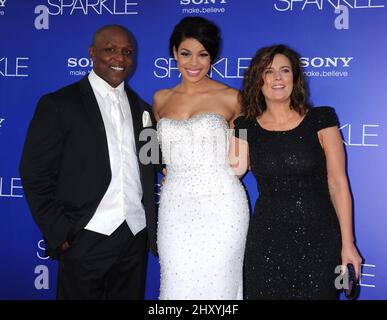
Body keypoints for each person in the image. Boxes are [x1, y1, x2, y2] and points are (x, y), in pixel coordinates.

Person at [19, 25, 158, 300]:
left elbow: (151, 162)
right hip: (84, 237)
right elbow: (34, 174)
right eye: (111, 50)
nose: (120, 58)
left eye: (128, 52)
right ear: (92, 53)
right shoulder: (59, 104)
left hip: (134, 236)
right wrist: (60, 233)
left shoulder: (142, 109)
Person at [230, 44, 362, 299]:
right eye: (268, 71)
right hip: (266, 241)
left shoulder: (322, 119)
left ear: (295, 78)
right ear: (258, 80)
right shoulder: (244, 125)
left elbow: (337, 183)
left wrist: (348, 243)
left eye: (285, 70)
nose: (277, 78)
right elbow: (231, 171)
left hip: (321, 239)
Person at [152, 16, 249, 300]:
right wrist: (166, 170)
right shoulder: (159, 99)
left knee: (219, 287)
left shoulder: (234, 98)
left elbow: (241, 161)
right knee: (176, 282)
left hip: (222, 205)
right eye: (185, 53)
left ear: (212, 57)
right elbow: (151, 152)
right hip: (175, 206)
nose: (193, 63)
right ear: (174, 53)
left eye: (202, 54)